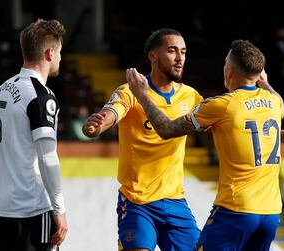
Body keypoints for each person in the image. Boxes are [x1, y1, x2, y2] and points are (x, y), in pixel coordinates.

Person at [126, 40, 284, 251]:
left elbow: (167, 130)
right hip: (271, 213)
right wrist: (278, 130)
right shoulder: (275, 102)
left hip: (235, 211)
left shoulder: (221, 105)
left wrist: (142, 96)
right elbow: (255, 125)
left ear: (228, 71)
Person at [83, 28, 203, 251]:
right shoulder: (130, 91)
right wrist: (97, 125)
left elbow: (225, 123)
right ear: (153, 56)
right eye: (172, 51)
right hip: (138, 202)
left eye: (183, 52)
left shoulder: (191, 96)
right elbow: (111, 114)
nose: (180, 58)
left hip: (176, 202)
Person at [0, 19, 68, 251]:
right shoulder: (41, 96)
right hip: (31, 210)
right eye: (60, 52)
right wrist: (59, 209)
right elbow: (47, 157)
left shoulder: (0, 90)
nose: (61, 58)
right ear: (50, 53)